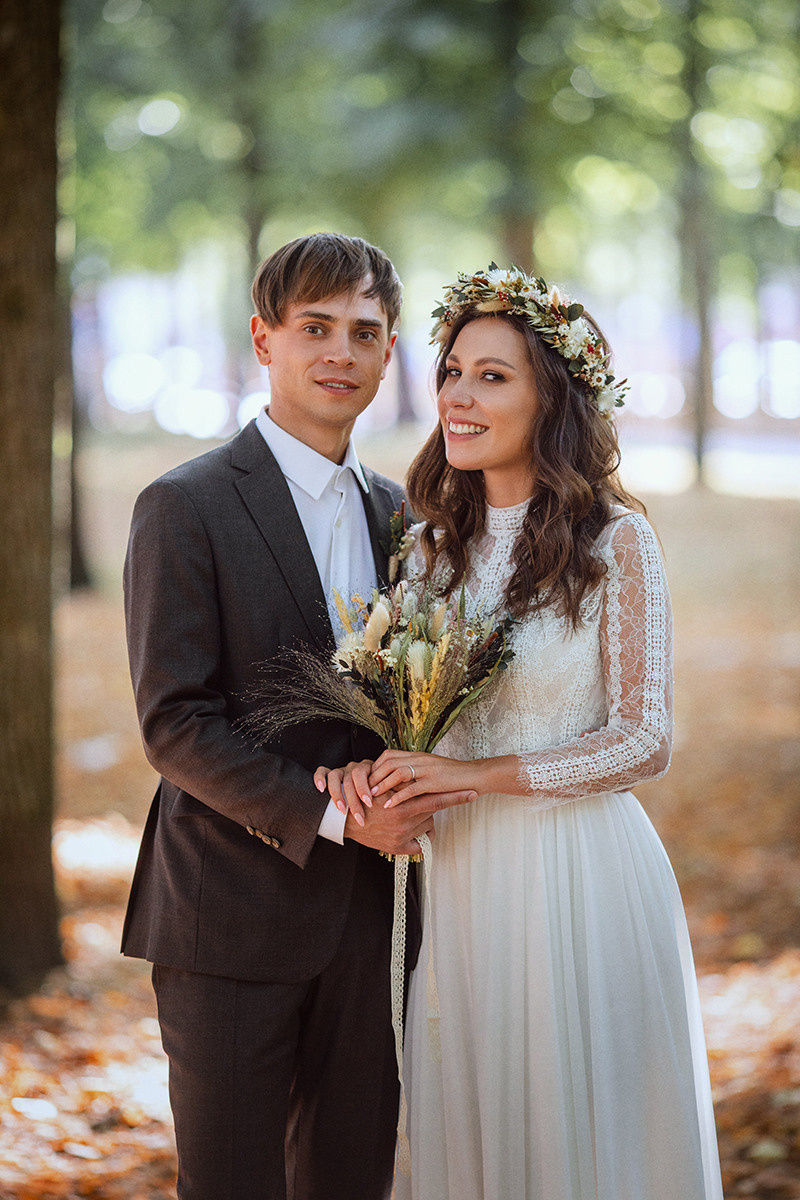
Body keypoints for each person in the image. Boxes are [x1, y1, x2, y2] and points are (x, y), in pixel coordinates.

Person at [322, 267, 724, 1200]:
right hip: (459, 885)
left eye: (492, 376)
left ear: (554, 397)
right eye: (453, 371)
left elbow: (645, 739)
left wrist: (476, 778)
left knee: (580, 1136)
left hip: (576, 875)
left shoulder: (615, 541)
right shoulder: (425, 549)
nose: (458, 395)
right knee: (476, 1128)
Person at [121, 232, 475, 1200]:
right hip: (226, 916)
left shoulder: (405, 519)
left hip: (371, 926)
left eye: (364, 333)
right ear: (263, 340)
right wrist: (335, 815)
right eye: (314, 327)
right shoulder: (183, 505)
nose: (339, 353)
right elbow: (175, 722)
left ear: (389, 353)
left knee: (349, 1180)